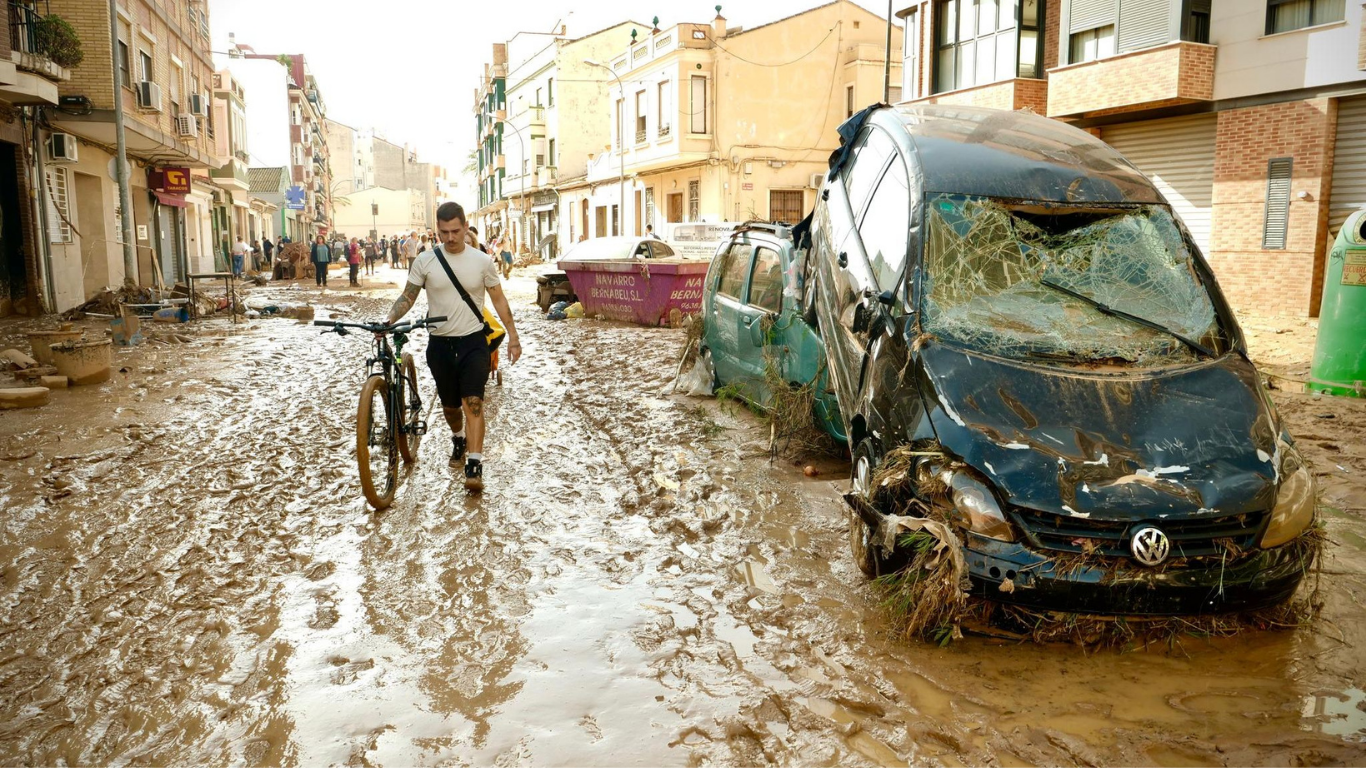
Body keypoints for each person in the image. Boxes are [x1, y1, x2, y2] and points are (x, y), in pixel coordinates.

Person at [383, 202, 521, 491]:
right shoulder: (426, 261)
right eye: (444, 232)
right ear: (437, 229)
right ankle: (458, 437)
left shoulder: (482, 261)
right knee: (450, 407)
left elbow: (499, 300)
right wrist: (389, 318)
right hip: (440, 345)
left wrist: (513, 336)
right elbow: (408, 297)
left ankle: (474, 464)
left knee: (473, 403)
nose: (450, 238)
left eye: (455, 231)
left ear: (465, 225)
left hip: (473, 342)